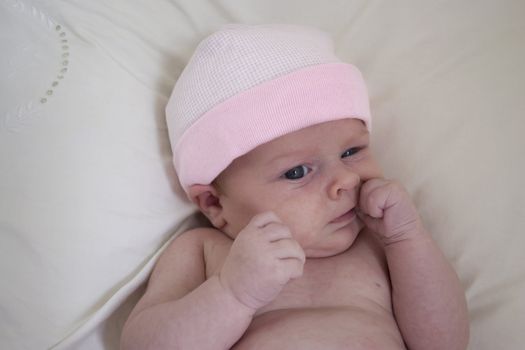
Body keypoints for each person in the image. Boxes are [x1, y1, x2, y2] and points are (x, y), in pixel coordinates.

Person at [120, 24, 469, 350]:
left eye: (352, 151)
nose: (346, 180)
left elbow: (444, 342)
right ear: (214, 203)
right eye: (298, 172)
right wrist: (233, 293)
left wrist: (408, 237)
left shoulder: (381, 242)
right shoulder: (203, 252)